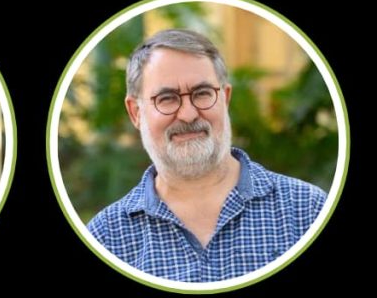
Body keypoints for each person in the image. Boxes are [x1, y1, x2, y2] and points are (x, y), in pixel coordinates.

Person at [87, 29, 327, 283]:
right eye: (167, 99)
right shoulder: (106, 238)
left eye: (202, 94)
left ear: (224, 98)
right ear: (136, 112)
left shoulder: (307, 212)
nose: (189, 115)